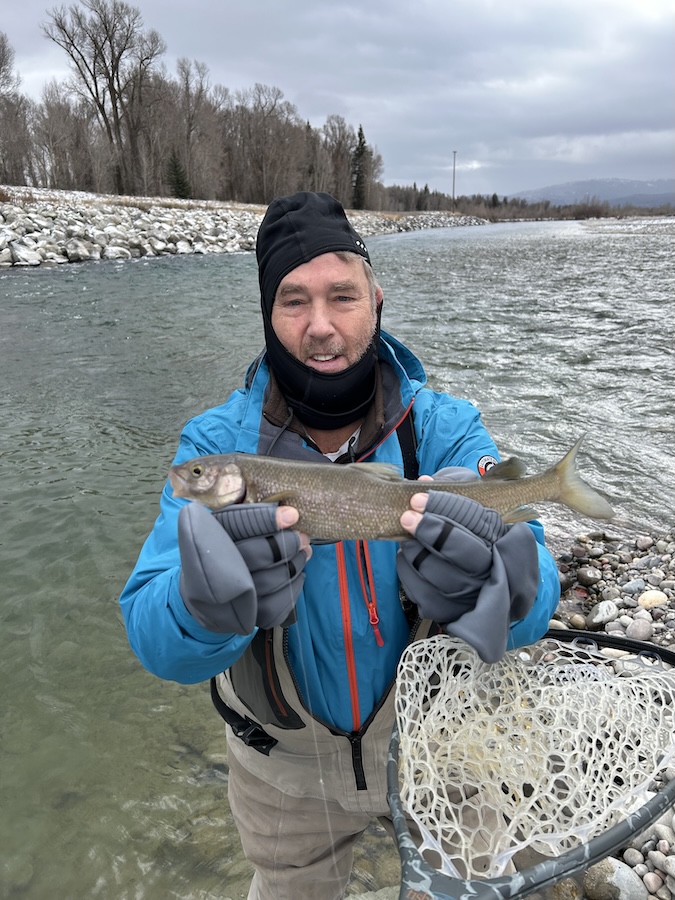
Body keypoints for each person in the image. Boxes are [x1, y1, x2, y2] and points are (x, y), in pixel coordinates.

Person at [120, 191, 560, 899]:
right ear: (267, 314)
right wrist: (199, 610)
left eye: (342, 297)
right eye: (293, 301)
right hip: (281, 768)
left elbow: (537, 591)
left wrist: (499, 589)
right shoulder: (214, 442)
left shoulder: (444, 427)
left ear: (376, 301)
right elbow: (154, 640)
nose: (320, 326)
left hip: (444, 743)